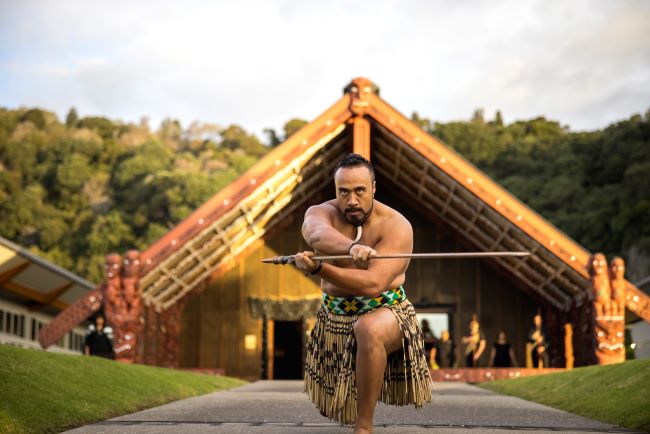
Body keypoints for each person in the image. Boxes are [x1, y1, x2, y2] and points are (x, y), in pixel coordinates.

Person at [294, 153, 433, 433]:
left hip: (388, 313)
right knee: (329, 407)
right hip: (335, 318)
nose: (352, 200)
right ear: (335, 191)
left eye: (359, 191)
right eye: (343, 192)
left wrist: (320, 269)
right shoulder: (320, 213)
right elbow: (316, 234)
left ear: (373, 188)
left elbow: (372, 284)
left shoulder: (396, 226)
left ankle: (364, 428)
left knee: (368, 327)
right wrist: (350, 248)